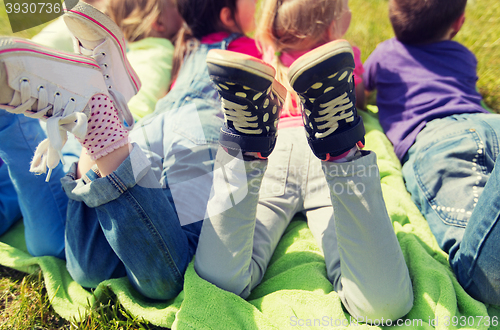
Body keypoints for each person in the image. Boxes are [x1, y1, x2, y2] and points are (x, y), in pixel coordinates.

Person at [0, 0, 263, 300]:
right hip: (202, 123)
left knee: (90, 271)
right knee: (171, 275)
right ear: (226, 14)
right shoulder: (249, 46)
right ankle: (97, 112)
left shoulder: (184, 46)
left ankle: (96, 113)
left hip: (147, 128)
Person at [194, 0, 413, 322]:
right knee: (383, 307)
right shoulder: (345, 57)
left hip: (274, 147)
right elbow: (363, 98)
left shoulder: (265, 57)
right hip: (323, 150)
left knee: (220, 281)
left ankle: (244, 149)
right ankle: (343, 152)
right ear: (333, 26)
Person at [363, 0, 500, 305]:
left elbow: (360, 93)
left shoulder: (384, 54)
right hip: (490, 123)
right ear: (459, 23)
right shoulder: (464, 55)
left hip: (439, 140)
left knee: (482, 272)